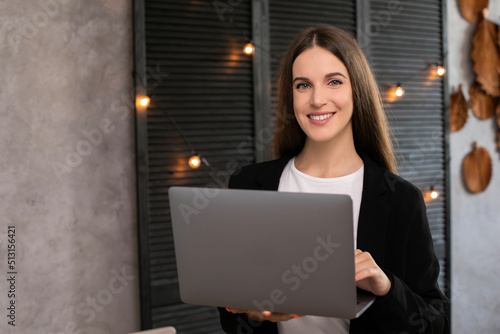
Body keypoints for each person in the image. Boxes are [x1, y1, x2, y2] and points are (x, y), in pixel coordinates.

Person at [218, 25, 449, 333]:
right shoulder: (247, 184)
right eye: (303, 85)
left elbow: (437, 324)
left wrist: (385, 288)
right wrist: (253, 314)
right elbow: (230, 316)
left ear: (357, 90)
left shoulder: (400, 199)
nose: (317, 99)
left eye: (334, 82)